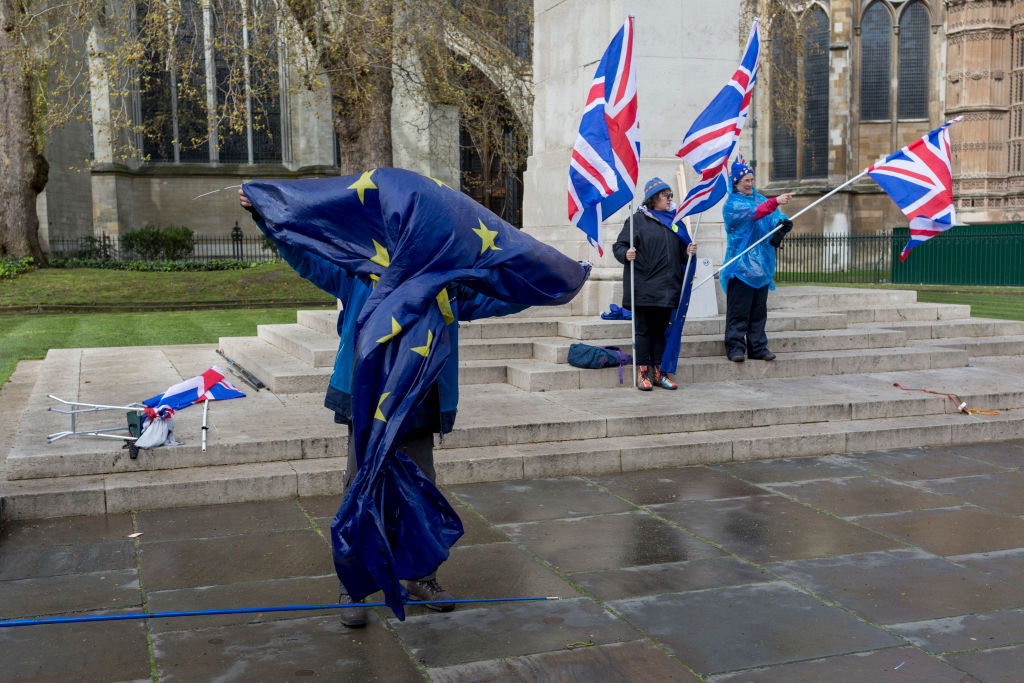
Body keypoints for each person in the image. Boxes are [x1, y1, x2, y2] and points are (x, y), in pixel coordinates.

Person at [240, 187, 526, 628]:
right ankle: (354, 584)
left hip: (420, 399)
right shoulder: (362, 270)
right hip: (366, 396)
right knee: (360, 485)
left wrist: (549, 279)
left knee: (420, 489)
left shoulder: (448, 280)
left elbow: (501, 294)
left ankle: (420, 577)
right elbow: (307, 258)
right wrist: (265, 218)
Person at [612, 177, 698, 391]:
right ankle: (643, 373)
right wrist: (626, 253)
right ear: (653, 199)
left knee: (661, 331)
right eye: (665, 196)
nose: (670, 199)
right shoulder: (637, 221)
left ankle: (659, 373)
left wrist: (687, 253)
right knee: (643, 331)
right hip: (644, 287)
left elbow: (679, 257)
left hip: (667, 289)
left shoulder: (675, 222)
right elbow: (619, 245)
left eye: (670, 195)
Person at [721, 158, 793, 362]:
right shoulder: (732, 205)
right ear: (735, 182)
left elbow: (772, 219)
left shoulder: (760, 199)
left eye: (751, 179)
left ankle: (758, 347)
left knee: (758, 312)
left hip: (761, 268)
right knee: (739, 311)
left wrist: (781, 226)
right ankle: (735, 347)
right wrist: (776, 201)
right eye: (745, 180)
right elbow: (755, 214)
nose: (749, 183)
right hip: (740, 268)